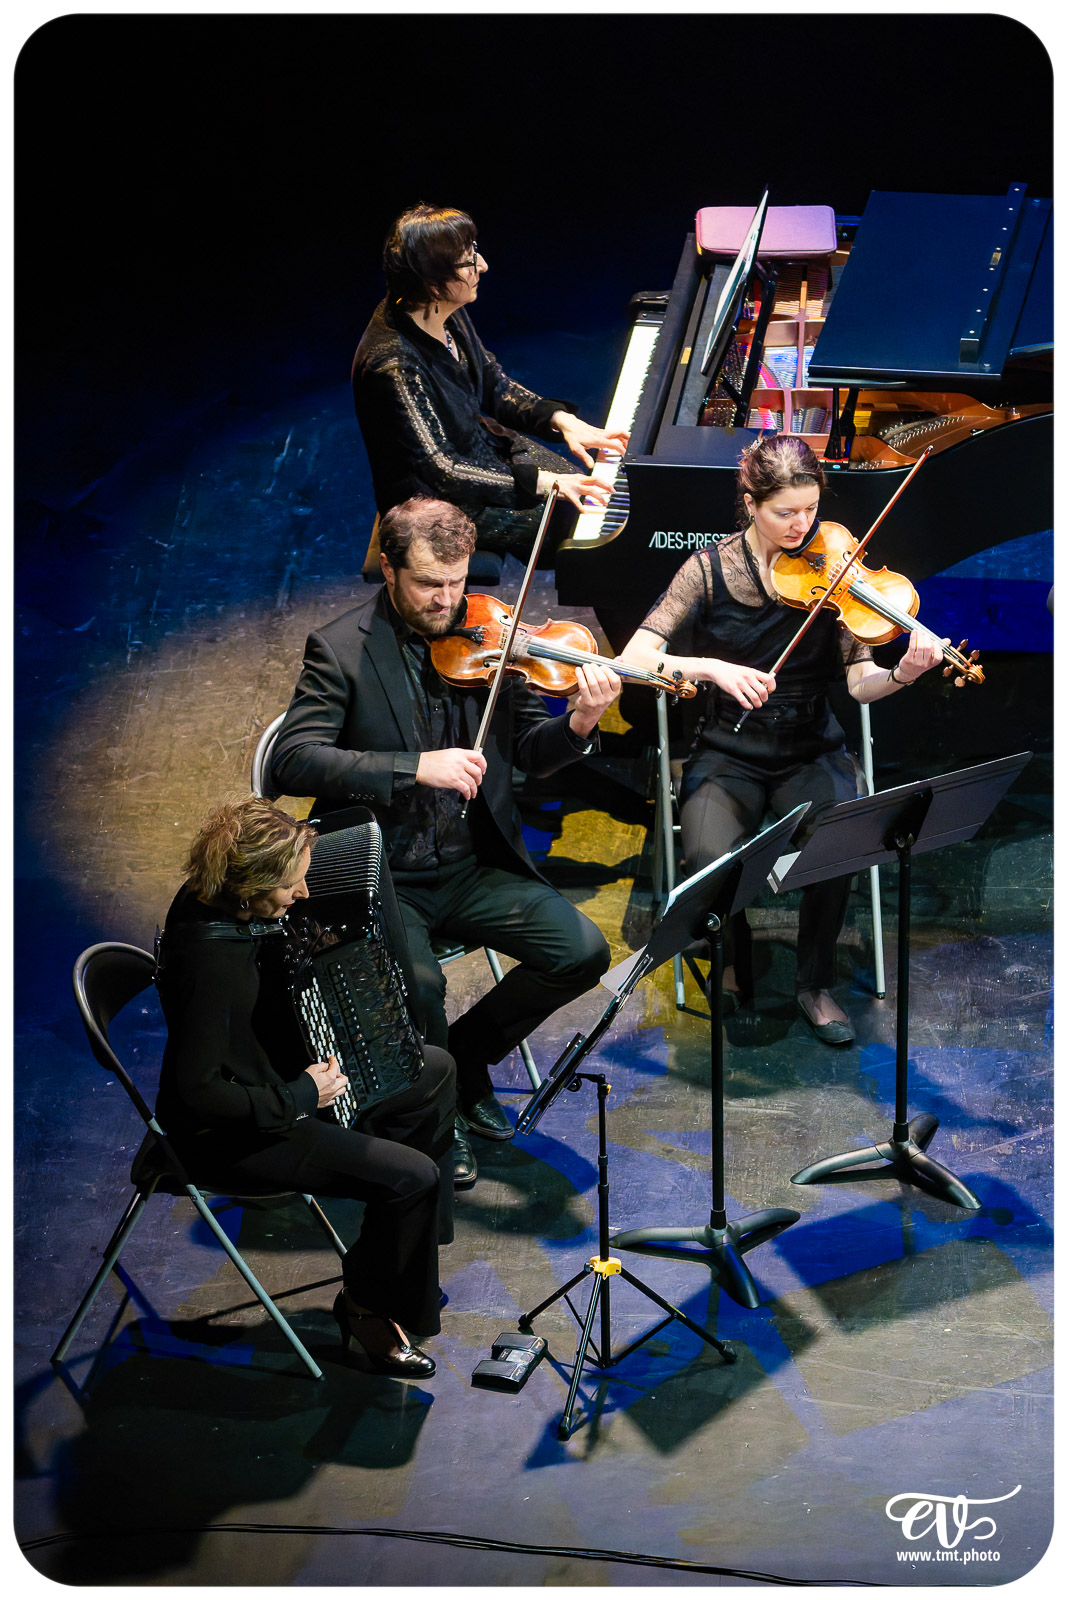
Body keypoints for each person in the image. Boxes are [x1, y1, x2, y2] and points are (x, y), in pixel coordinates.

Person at [270, 496, 621, 1175]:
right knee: (420, 985)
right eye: (431, 584)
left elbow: (528, 749)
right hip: (380, 871)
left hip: (469, 862)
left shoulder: (489, 633)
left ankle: (462, 1064)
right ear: (390, 570)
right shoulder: (340, 649)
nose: (448, 600)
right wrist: (413, 767)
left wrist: (579, 723)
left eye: (458, 582)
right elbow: (293, 759)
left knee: (581, 951)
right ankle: (430, 1119)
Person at [620, 434, 946, 1046]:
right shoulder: (708, 571)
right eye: (785, 512)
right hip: (727, 752)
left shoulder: (838, 572)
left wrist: (903, 672)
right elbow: (636, 657)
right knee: (710, 857)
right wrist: (710, 668)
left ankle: (813, 983)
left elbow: (860, 685)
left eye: (811, 510)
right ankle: (735, 969)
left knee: (839, 841)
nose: (802, 526)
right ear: (750, 503)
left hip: (809, 748)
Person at [155, 797, 456, 1378]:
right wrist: (302, 1097)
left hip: (273, 1083)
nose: (304, 894)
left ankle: (406, 1258)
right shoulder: (208, 963)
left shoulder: (223, 905)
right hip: (232, 1135)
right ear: (249, 888)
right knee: (411, 1176)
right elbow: (193, 1097)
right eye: (291, 885)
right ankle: (367, 1309)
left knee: (434, 1070)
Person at [351, 202, 628, 559]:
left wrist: (562, 420)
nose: (482, 266)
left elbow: (492, 383)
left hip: (484, 454)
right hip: (435, 505)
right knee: (582, 527)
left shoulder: (445, 311)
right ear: (434, 285)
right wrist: (544, 483)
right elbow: (443, 471)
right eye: (468, 262)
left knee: (600, 498)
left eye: (474, 253)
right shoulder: (392, 365)